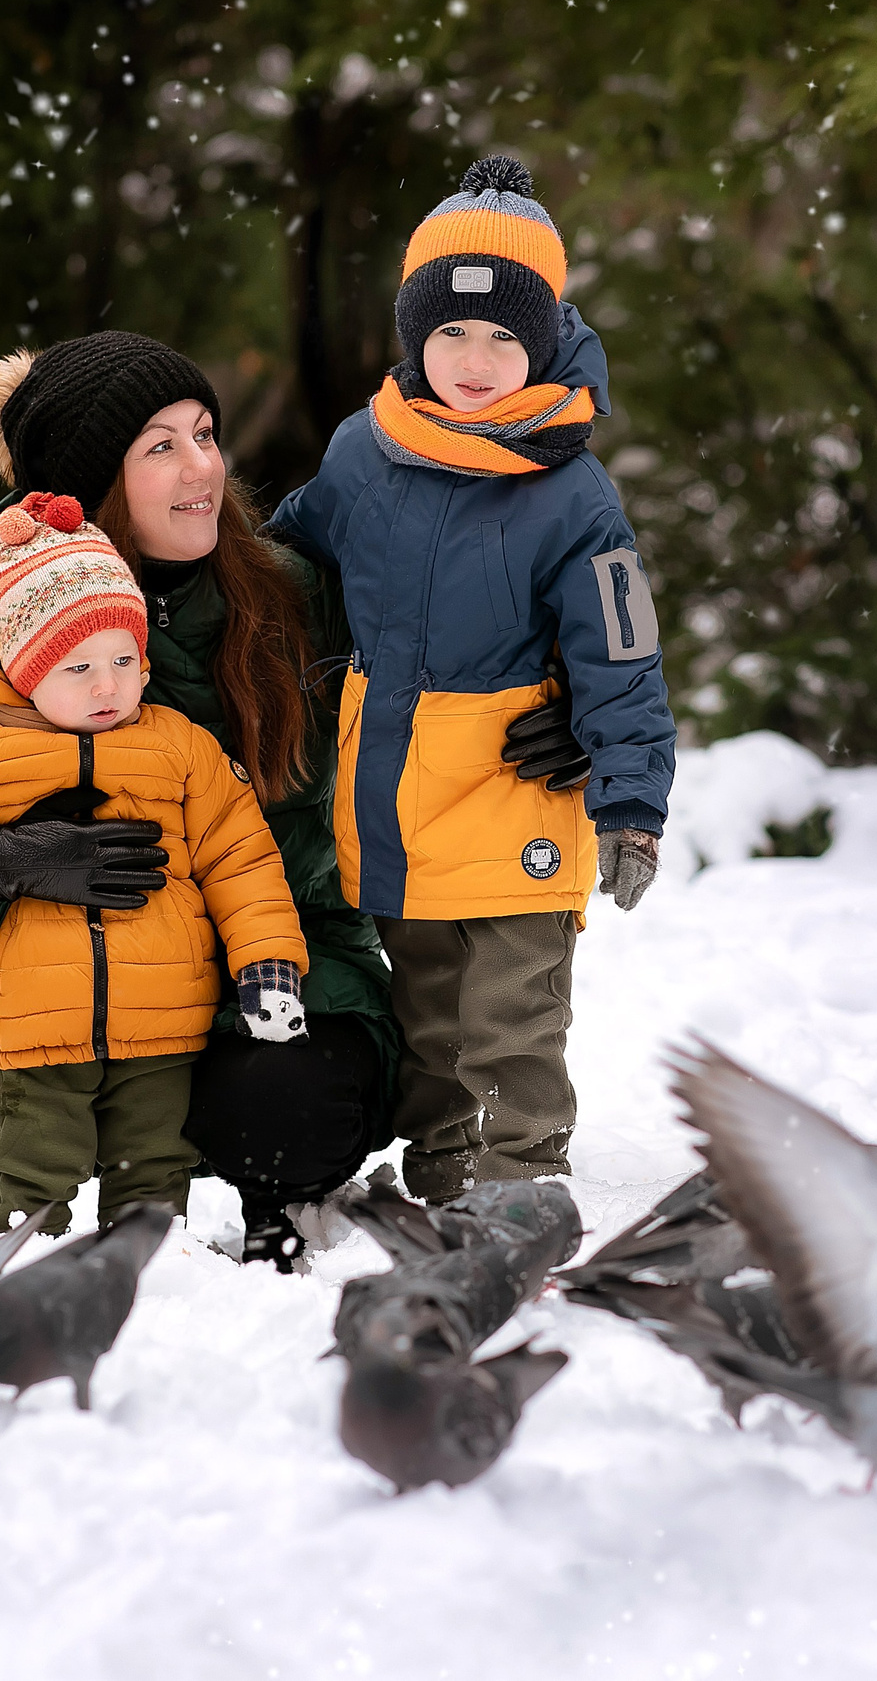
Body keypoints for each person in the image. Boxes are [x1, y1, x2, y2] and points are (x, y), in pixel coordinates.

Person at [0, 330, 410, 1268]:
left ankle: (277, 1208)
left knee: (282, 1107)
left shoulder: (295, 599)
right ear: (93, 483)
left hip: (269, 970)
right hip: (59, 984)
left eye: (204, 432)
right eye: (161, 447)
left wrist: (562, 708)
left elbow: (446, 663)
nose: (204, 467)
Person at [265, 157, 678, 1203]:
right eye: (451, 331)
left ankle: (519, 1177)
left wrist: (630, 800)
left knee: (513, 1011)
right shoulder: (365, 450)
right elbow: (288, 559)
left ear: (540, 341)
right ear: (415, 336)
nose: (477, 358)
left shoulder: (573, 493)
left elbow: (621, 652)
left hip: (516, 788)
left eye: (503, 335)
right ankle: (448, 1168)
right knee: (432, 1011)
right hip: (394, 789)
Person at [0, 493, 308, 1232]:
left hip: (165, 1014)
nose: (107, 685)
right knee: (32, 1162)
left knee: (155, 1162)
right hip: (29, 1020)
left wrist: (267, 964)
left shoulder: (179, 747)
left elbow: (241, 860)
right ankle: (20, 1257)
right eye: (78, 665)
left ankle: (151, 1269)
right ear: (24, 672)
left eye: (124, 659)